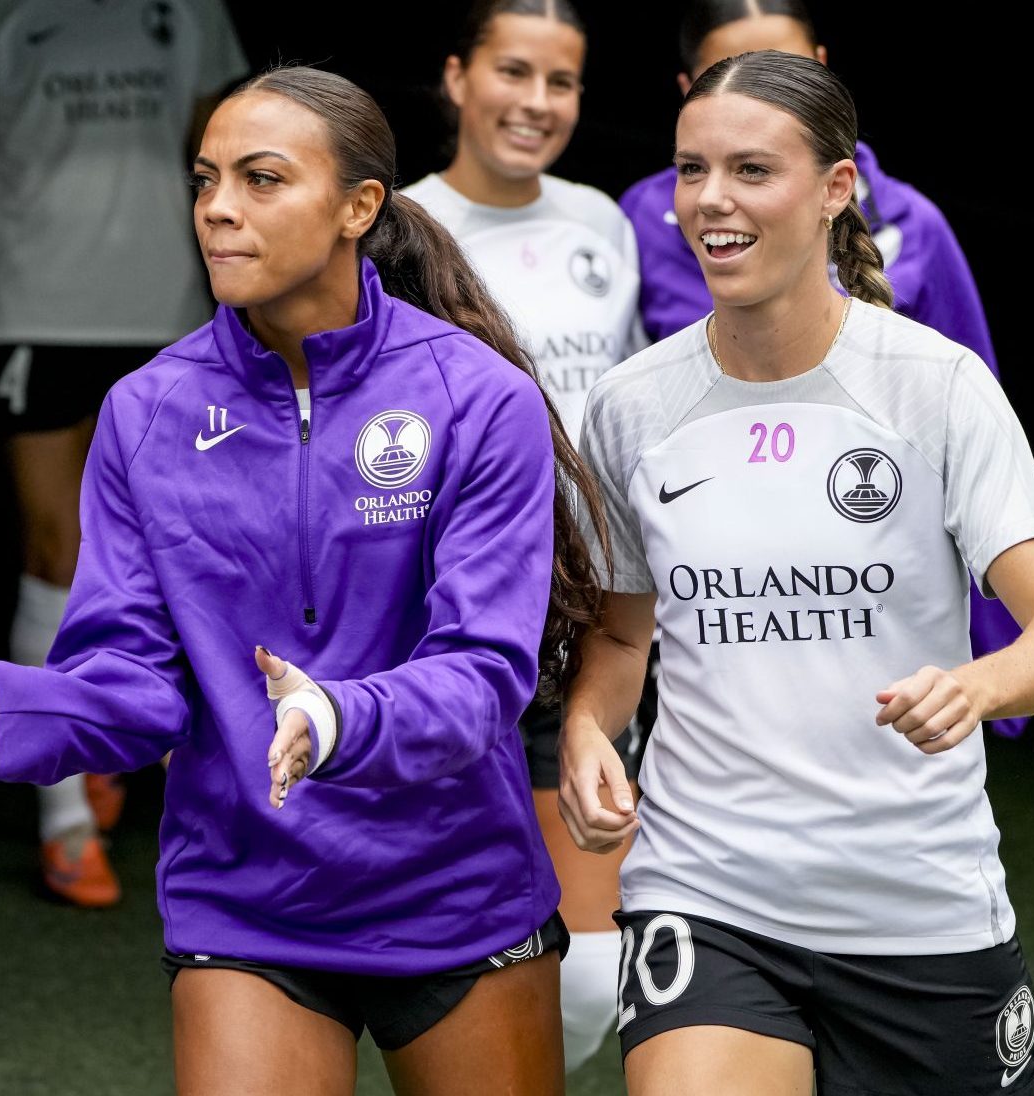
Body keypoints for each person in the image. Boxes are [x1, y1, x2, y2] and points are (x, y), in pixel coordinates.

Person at [0, 65, 611, 1094]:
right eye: (204, 177)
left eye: (261, 179)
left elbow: (484, 671)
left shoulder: (475, 397)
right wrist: (31, 710)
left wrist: (336, 717)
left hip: (449, 885)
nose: (217, 207)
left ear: (359, 207)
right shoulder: (146, 409)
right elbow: (136, 676)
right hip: (247, 891)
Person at [559, 51, 1034, 1095]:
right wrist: (589, 726)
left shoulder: (935, 387)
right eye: (689, 170)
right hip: (706, 892)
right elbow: (623, 634)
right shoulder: (630, 405)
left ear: (835, 189)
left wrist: (977, 684)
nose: (710, 200)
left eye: (750, 171)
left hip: (919, 906)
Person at [0, 0, 249, 907]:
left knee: (183, 556)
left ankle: (124, 728)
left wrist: (255, 305)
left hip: (167, 315)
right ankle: (65, 822)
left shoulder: (188, 10)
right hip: (32, 312)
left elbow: (223, 155)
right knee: (53, 555)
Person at [619, 0, 1028, 732]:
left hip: (872, 575)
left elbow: (983, 444)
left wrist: (988, 670)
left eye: (786, 69)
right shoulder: (642, 223)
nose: (716, 200)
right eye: (728, 72)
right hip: (707, 571)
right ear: (688, 91)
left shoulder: (915, 234)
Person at [401, 0, 642, 1071]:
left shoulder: (601, 220)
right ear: (455, 77)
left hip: (592, 618)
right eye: (512, 71)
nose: (536, 103)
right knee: (446, 952)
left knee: (590, 970)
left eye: (562, 81)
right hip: (442, 625)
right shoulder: (394, 222)